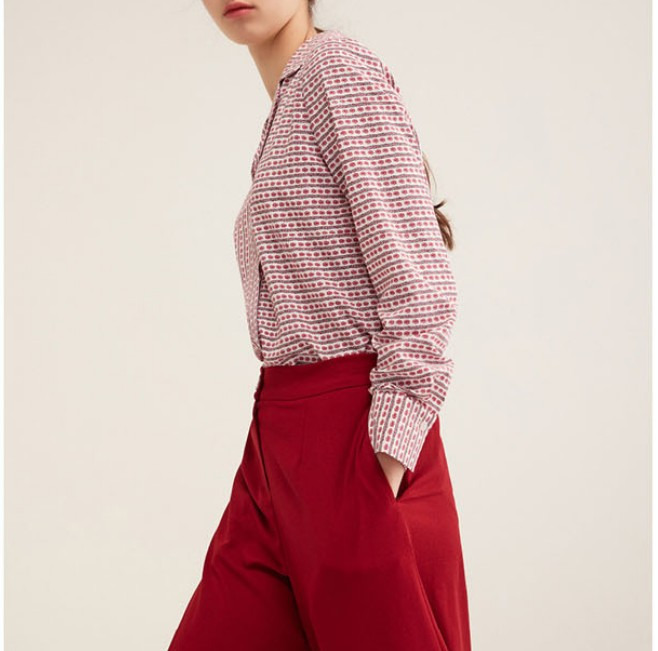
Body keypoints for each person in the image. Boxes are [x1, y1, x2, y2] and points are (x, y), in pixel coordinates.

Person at [167, 2, 471, 649]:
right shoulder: (290, 105)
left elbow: (421, 289)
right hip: (276, 448)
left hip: (353, 439)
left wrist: (378, 467)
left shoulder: (336, 69)